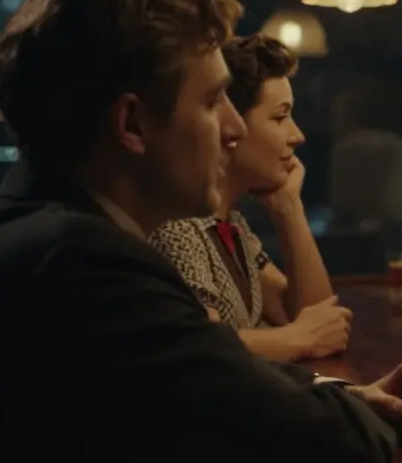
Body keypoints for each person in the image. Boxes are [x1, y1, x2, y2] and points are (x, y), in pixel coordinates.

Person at [0, 0, 402, 463]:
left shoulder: (32, 228)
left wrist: (348, 396)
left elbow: (214, 380)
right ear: (132, 123)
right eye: (213, 101)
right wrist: (364, 415)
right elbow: (332, 453)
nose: (234, 129)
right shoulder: (85, 265)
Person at [149, 33, 352, 362]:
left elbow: (319, 320)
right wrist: (298, 339)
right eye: (280, 117)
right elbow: (198, 347)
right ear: (229, 124)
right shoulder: (179, 227)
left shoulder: (233, 227)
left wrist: (288, 207)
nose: (297, 136)